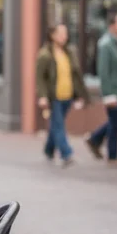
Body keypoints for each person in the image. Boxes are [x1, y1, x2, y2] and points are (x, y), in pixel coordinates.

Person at [85, 13, 117, 168]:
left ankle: (94, 138)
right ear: (112, 26)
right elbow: (104, 73)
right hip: (113, 91)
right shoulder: (106, 44)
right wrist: (108, 95)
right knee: (115, 122)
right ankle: (112, 156)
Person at [35, 24, 87, 167]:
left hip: (67, 95)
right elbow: (40, 78)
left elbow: (75, 75)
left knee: (56, 125)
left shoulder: (69, 52)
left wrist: (79, 94)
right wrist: (43, 96)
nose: (64, 36)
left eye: (65, 33)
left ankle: (48, 150)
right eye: (61, 33)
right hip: (54, 97)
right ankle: (67, 154)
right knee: (58, 125)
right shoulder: (45, 54)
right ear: (52, 35)